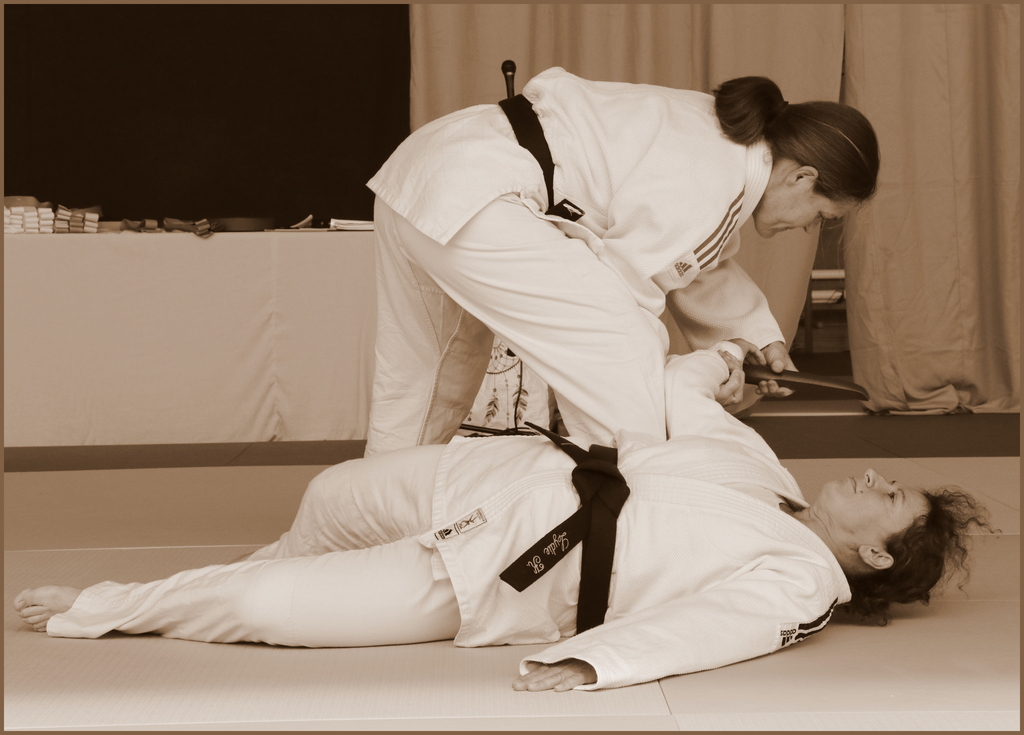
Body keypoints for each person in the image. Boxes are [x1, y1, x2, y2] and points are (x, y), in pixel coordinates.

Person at [15, 343, 988, 692]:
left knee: (265, 607)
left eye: (888, 495)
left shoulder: (803, 580)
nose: (872, 474)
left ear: (873, 553)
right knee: (327, 495)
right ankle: (261, 569)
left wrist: (597, 661)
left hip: (495, 574)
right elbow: (675, 393)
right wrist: (724, 363)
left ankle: (109, 604)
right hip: (479, 481)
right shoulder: (764, 474)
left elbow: (711, 628)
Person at [363, 66, 881, 455]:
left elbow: (698, 263)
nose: (808, 228)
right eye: (821, 215)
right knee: (626, 360)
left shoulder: (721, 146)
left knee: (425, 382)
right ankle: (623, 520)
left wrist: (754, 341)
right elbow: (626, 299)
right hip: (483, 192)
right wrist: (721, 360)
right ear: (802, 177)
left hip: (427, 171)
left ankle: (373, 523)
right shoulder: (719, 180)